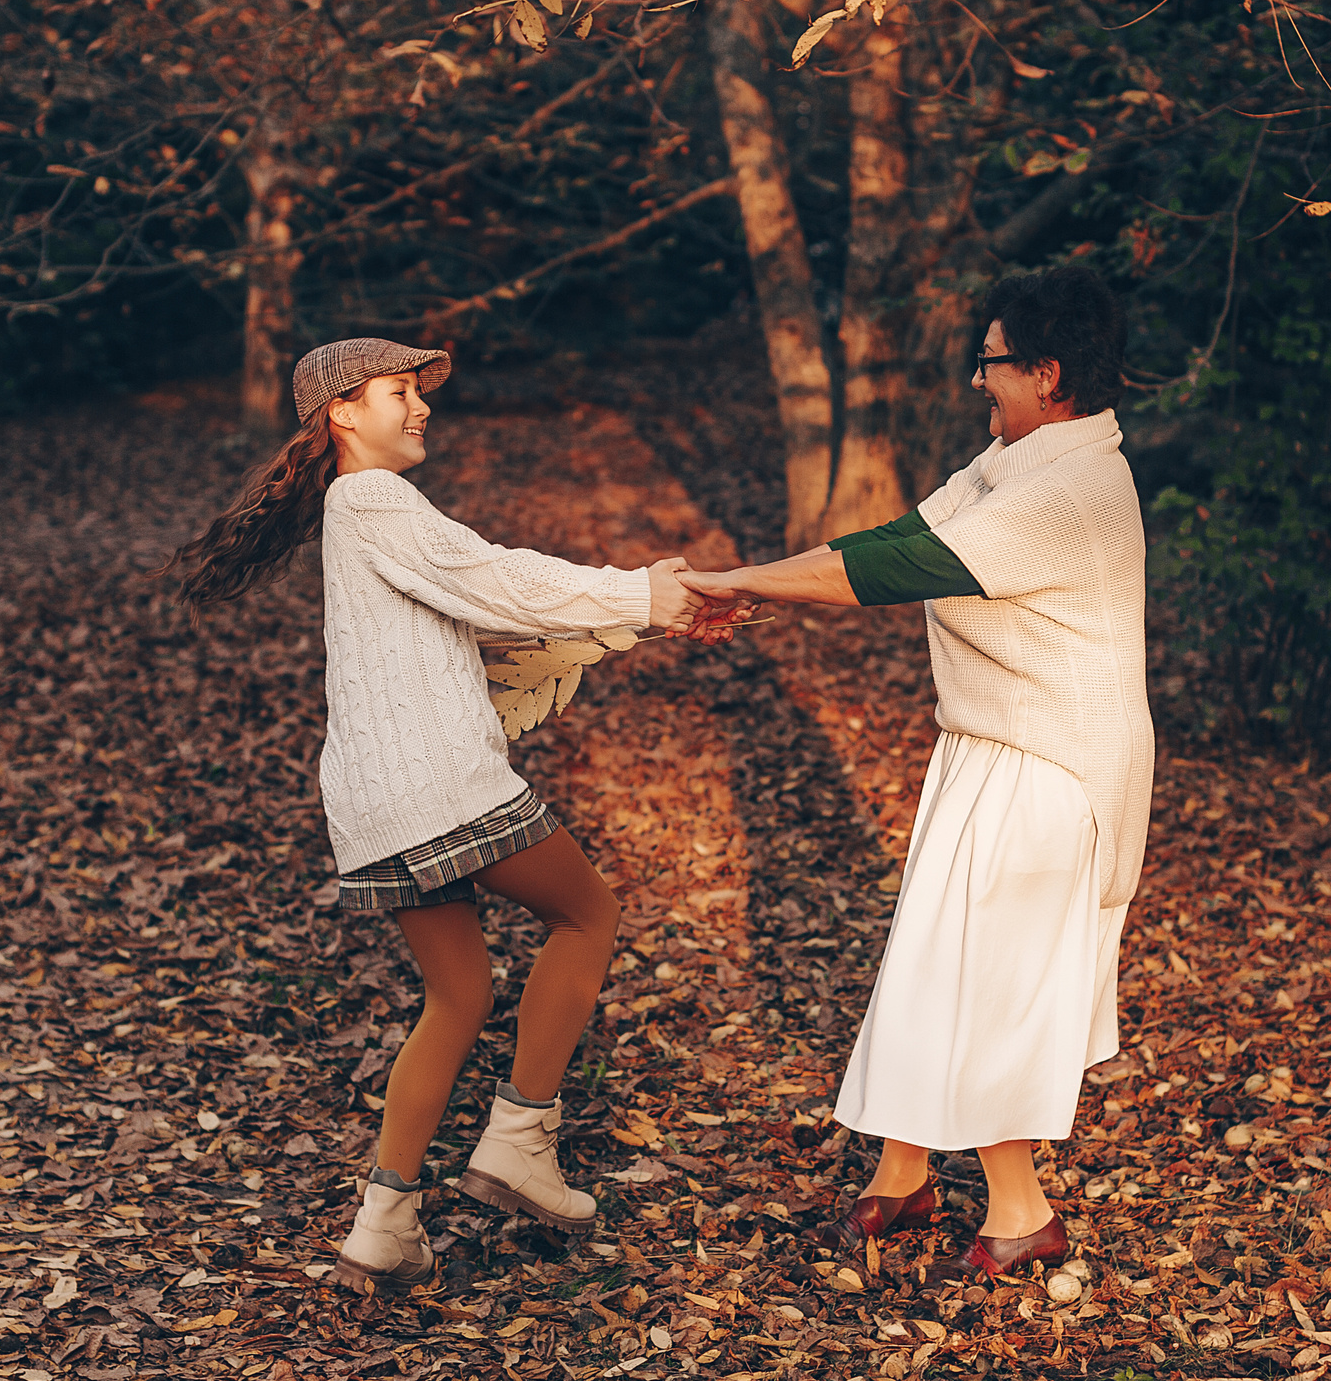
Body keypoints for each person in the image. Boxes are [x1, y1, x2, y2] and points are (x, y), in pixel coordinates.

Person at [171, 338, 702, 1292]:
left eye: (419, 393)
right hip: (439, 782)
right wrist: (639, 592)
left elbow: (482, 612)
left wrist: (638, 606)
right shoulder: (373, 499)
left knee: (459, 995)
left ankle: (384, 1225)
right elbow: (492, 576)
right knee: (590, 916)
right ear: (342, 411)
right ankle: (518, 1143)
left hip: (374, 799)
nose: (421, 408)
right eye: (399, 393)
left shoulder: (357, 512)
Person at [676, 266, 1153, 1283]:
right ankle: (902, 1171)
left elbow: (880, 577)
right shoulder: (1016, 461)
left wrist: (732, 583)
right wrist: (758, 585)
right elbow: (897, 537)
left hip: (1052, 764)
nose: (978, 379)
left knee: (988, 978)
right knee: (933, 957)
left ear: (1047, 373)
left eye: (990, 362)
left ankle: (1022, 1209)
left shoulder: (1069, 488)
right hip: (989, 746)